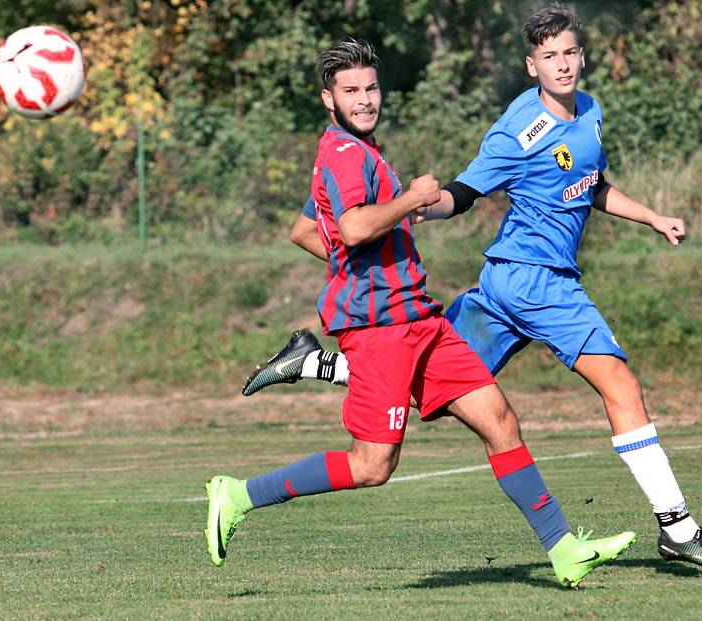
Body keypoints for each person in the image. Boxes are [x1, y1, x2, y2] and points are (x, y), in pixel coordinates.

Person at [243, 5, 702, 574]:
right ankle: (676, 527)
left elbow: (592, 187)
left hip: (500, 285)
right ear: (531, 65)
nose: (563, 65)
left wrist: (653, 217)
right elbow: (462, 194)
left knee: (423, 394)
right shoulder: (517, 129)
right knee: (621, 386)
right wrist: (414, 205)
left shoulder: (590, 113)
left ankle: (315, 365)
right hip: (538, 284)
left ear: (582, 56)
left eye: (570, 53)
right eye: (549, 56)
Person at [207, 38, 636, 589]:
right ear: (327, 99)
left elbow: (306, 229)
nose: (365, 100)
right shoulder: (342, 154)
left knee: (500, 421)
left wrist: (359, 257)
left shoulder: (364, 149)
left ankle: (564, 550)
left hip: (421, 322)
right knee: (371, 467)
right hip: (380, 330)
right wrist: (410, 201)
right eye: (350, 91)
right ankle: (238, 495)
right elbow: (357, 226)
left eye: (370, 88)